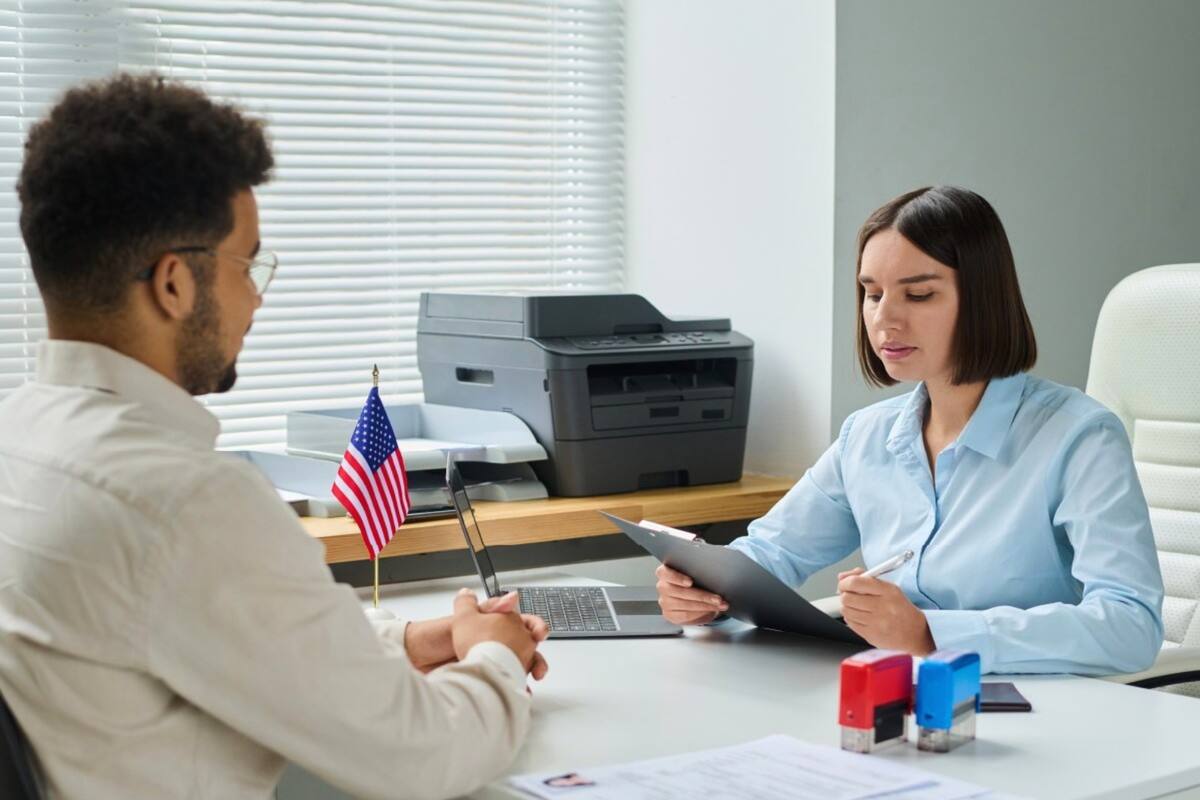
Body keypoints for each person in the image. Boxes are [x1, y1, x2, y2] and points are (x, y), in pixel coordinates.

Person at [0, 73, 548, 800]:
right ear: (173, 284)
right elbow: (424, 758)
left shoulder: (23, 440)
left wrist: (411, 642)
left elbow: (195, 631)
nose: (257, 295)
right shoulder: (184, 499)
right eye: (247, 263)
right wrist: (496, 659)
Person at [656, 186, 1164, 675]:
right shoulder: (868, 436)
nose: (884, 319)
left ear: (983, 299)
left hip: (1033, 714)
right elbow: (774, 551)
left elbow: (1130, 625)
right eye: (872, 294)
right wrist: (704, 590)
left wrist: (930, 632)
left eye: (918, 294)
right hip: (896, 697)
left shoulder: (1079, 437)